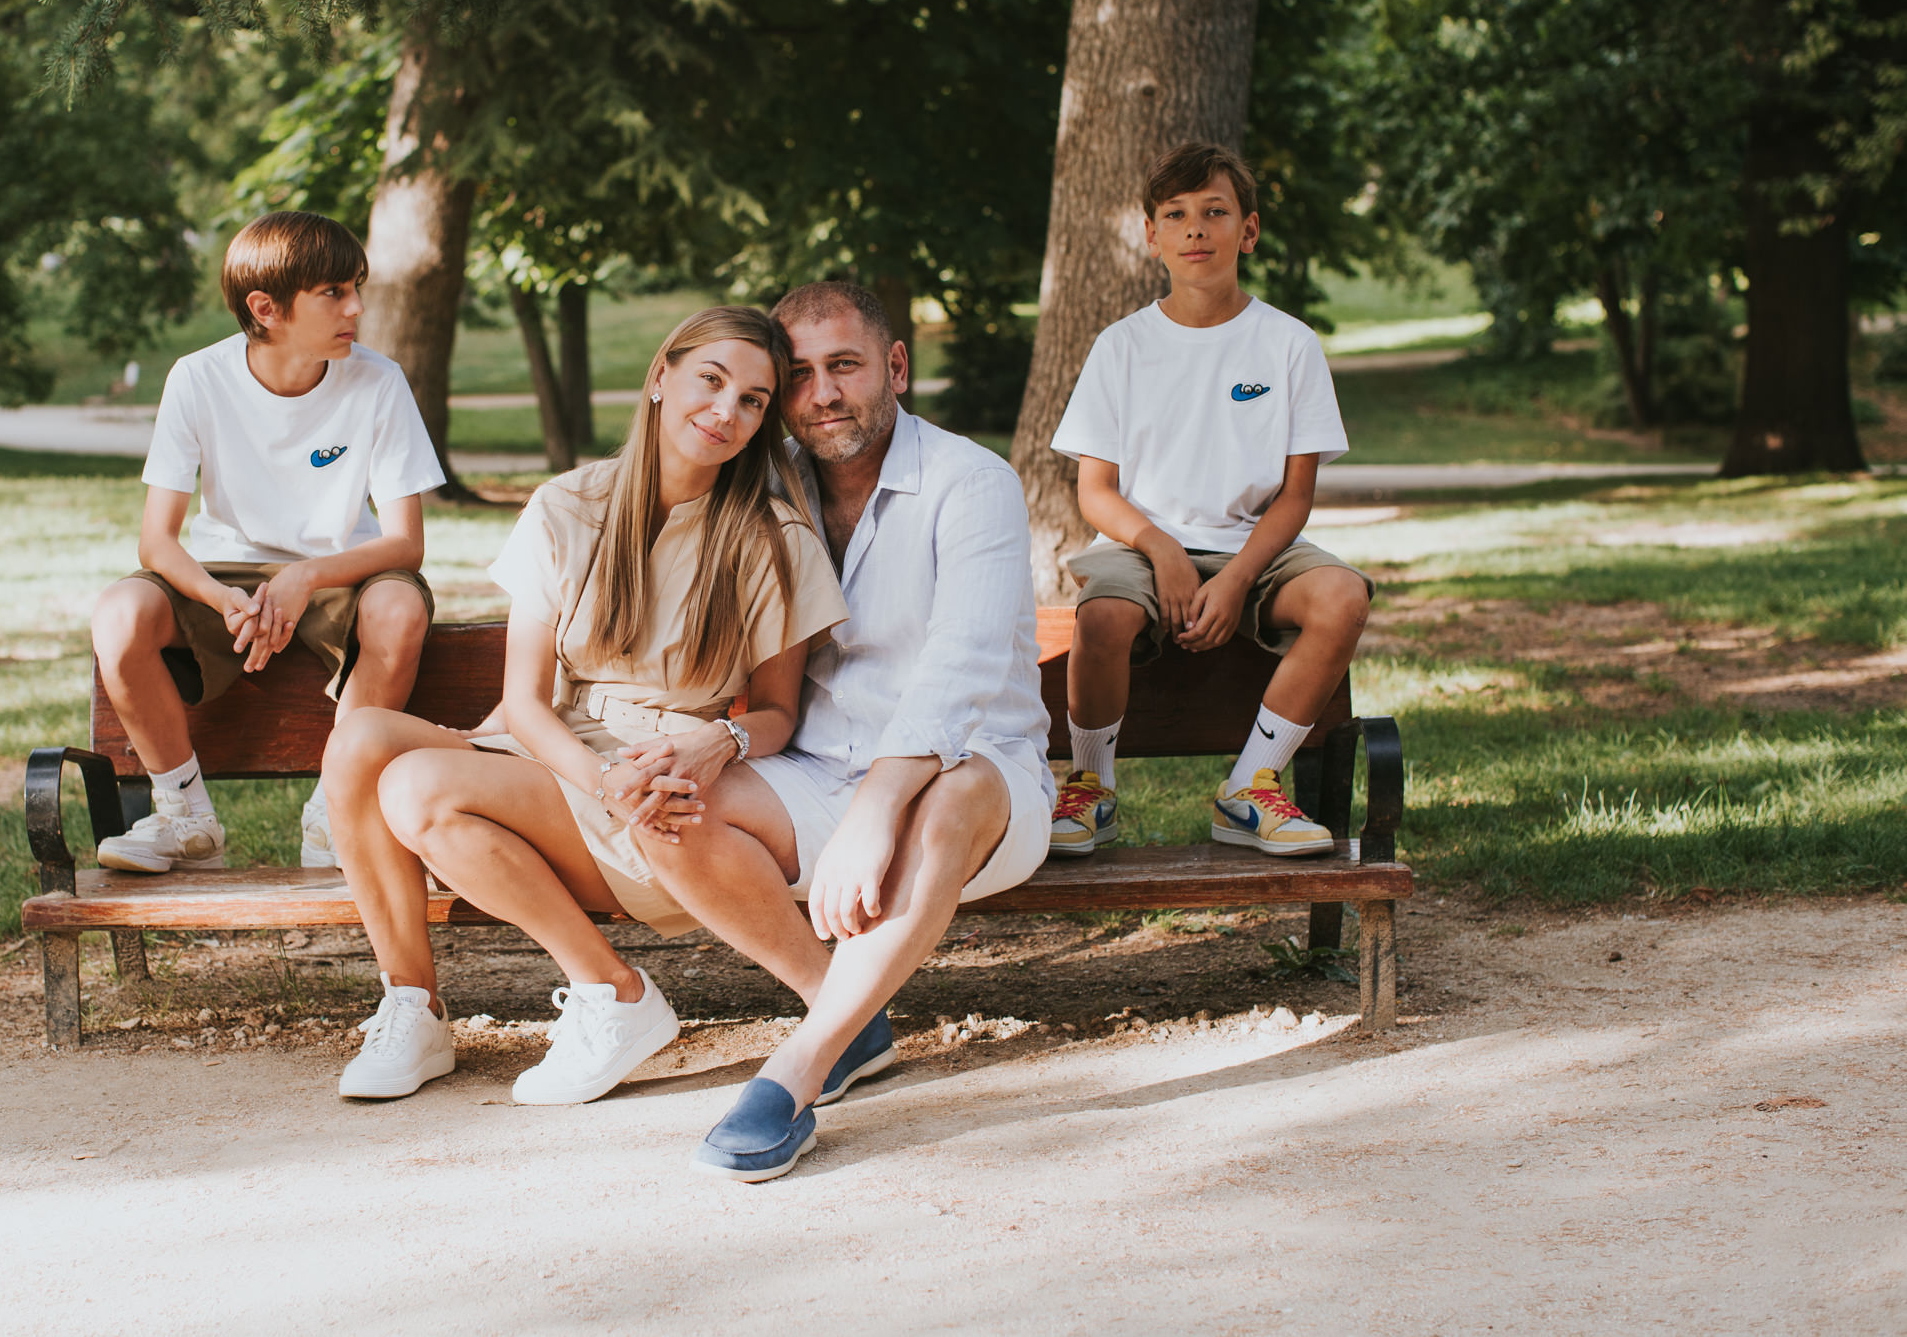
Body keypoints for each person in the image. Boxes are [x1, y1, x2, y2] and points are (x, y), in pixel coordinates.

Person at [317, 306, 848, 1106]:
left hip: (660, 784)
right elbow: (523, 703)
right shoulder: (568, 504)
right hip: (568, 755)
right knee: (360, 738)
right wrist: (594, 777)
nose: (726, 411)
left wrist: (721, 740)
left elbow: (777, 711)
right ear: (662, 376)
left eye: (753, 400)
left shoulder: (771, 538)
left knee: (417, 789)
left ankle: (613, 992)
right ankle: (414, 1007)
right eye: (712, 380)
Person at [632, 282, 1054, 1182]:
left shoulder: (970, 482)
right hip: (820, 773)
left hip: (980, 787)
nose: (822, 393)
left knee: (956, 788)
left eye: (845, 366)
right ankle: (849, 1015)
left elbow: (964, 669)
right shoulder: (768, 481)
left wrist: (877, 810)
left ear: (894, 367)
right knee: (665, 805)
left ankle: (797, 1070)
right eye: (799, 375)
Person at [87, 211, 445, 875]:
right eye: (334, 293)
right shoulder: (198, 378)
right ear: (266, 308)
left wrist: (305, 575)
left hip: (343, 570)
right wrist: (222, 596)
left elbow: (405, 542)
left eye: (355, 288)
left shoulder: (379, 381)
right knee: (118, 614)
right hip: (223, 570)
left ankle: (336, 812)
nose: (356, 307)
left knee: (399, 609)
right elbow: (156, 542)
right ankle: (185, 818)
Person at [1049, 140, 1373, 860]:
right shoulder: (1120, 347)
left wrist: (1233, 578)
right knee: (1101, 616)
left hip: (1257, 546)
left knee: (1343, 596)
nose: (1196, 228)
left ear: (1248, 231)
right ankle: (1090, 788)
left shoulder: (1289, 345)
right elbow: (1095, 491)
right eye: (1177, 214)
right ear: (1152, 235)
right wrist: (1162, 549)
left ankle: (1250, 787)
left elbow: (1294, 498)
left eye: (1215, 211)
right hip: (1141, 545)